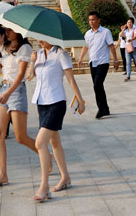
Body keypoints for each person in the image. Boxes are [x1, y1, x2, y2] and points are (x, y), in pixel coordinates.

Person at [26, 39, 86, 202]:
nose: (40, 40)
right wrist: (32, 63)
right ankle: (65, 177)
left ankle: (44, 186)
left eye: (43, 37)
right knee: (55, 143)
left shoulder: (61, 54)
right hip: (41, 103)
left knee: (40, 143)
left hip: (56, 103)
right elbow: (30, 76)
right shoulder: (38, 54)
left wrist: (80, 100)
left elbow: (71, 79)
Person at [0, 27, 37, 189]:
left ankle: (46, 155)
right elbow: (4, 70)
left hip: (16, 91)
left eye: (9, 30)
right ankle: (2, 175)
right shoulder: (5, 47)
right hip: (3, 88)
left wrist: (8, 93)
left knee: (21, 137)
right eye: (6, 30)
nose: (6, 32)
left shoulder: (25, 48)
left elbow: (21, 74)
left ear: (18, 31)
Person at [77, 12, 119, 119]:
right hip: (93, 62)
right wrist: (80, 59)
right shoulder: (88, 33)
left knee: (97, 85)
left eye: (93, 19)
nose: (91, 22)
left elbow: (111, 46)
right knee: (98, 86)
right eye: (90, 20)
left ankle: (101, 109)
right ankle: (106, 108)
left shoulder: (105, 32)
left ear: (98, 20)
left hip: (103, 62)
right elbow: (85, 47)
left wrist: (115, 60)